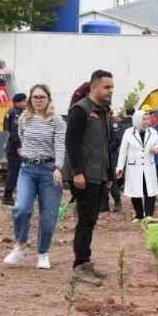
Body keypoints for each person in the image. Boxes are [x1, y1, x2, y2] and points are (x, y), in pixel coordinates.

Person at [4, 84, 66, 270]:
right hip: (28, 169)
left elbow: (60, 145)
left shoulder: (57, 121)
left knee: (49, 214)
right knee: (21, 208)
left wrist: (58, 167)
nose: (38, 100)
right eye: (35, 97)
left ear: (48, 99)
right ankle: (20, 247)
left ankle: (43, 253)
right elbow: (22, 139)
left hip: (49, 170)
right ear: (30, 99)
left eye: (42, 97)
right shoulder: (24, 118)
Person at [63, 70, 114, 287]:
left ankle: (85, 262)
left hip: (98, 175)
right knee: (85, 220)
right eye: (107, 87)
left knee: (91, 220)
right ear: (94, 87)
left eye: (112, 87)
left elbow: (105, 146)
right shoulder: (81, 109)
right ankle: (80, 266)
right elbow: (72, 142)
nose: (110, 91)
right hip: (84, 176)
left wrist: (109, 174)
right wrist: (77, 172)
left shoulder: (102, 111)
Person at [116, 110, 158, 219]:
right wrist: (120, 167)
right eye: (144, 119)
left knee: (150, 190)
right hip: (134, 166)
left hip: (148, 166)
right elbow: (123, 151)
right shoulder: (128, 132)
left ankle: (149, 215)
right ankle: (139, 214)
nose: (147, 121)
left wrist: (156, 149)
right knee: (135, 191)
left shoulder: (153, 132)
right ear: (137, 120)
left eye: (148, 119)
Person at [104, 107, 132, 214]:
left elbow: (116, 140)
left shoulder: (113, 123)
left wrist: (108, 150)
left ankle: (117, 201)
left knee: (112, 178)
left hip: (111, 154)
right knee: (102, 179)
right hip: (100, 156)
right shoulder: (97, 122)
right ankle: (104, 202)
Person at [1, 92, 28, 206]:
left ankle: (14, 194)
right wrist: (19, 146)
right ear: (18, 102)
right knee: (14, 172)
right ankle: (7, 196)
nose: (26, 103)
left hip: (13, 146)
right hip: (14, 148)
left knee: (17, 171)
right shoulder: (16, 113)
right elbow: (15, 131)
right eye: (24, 101)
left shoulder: (12, 112)